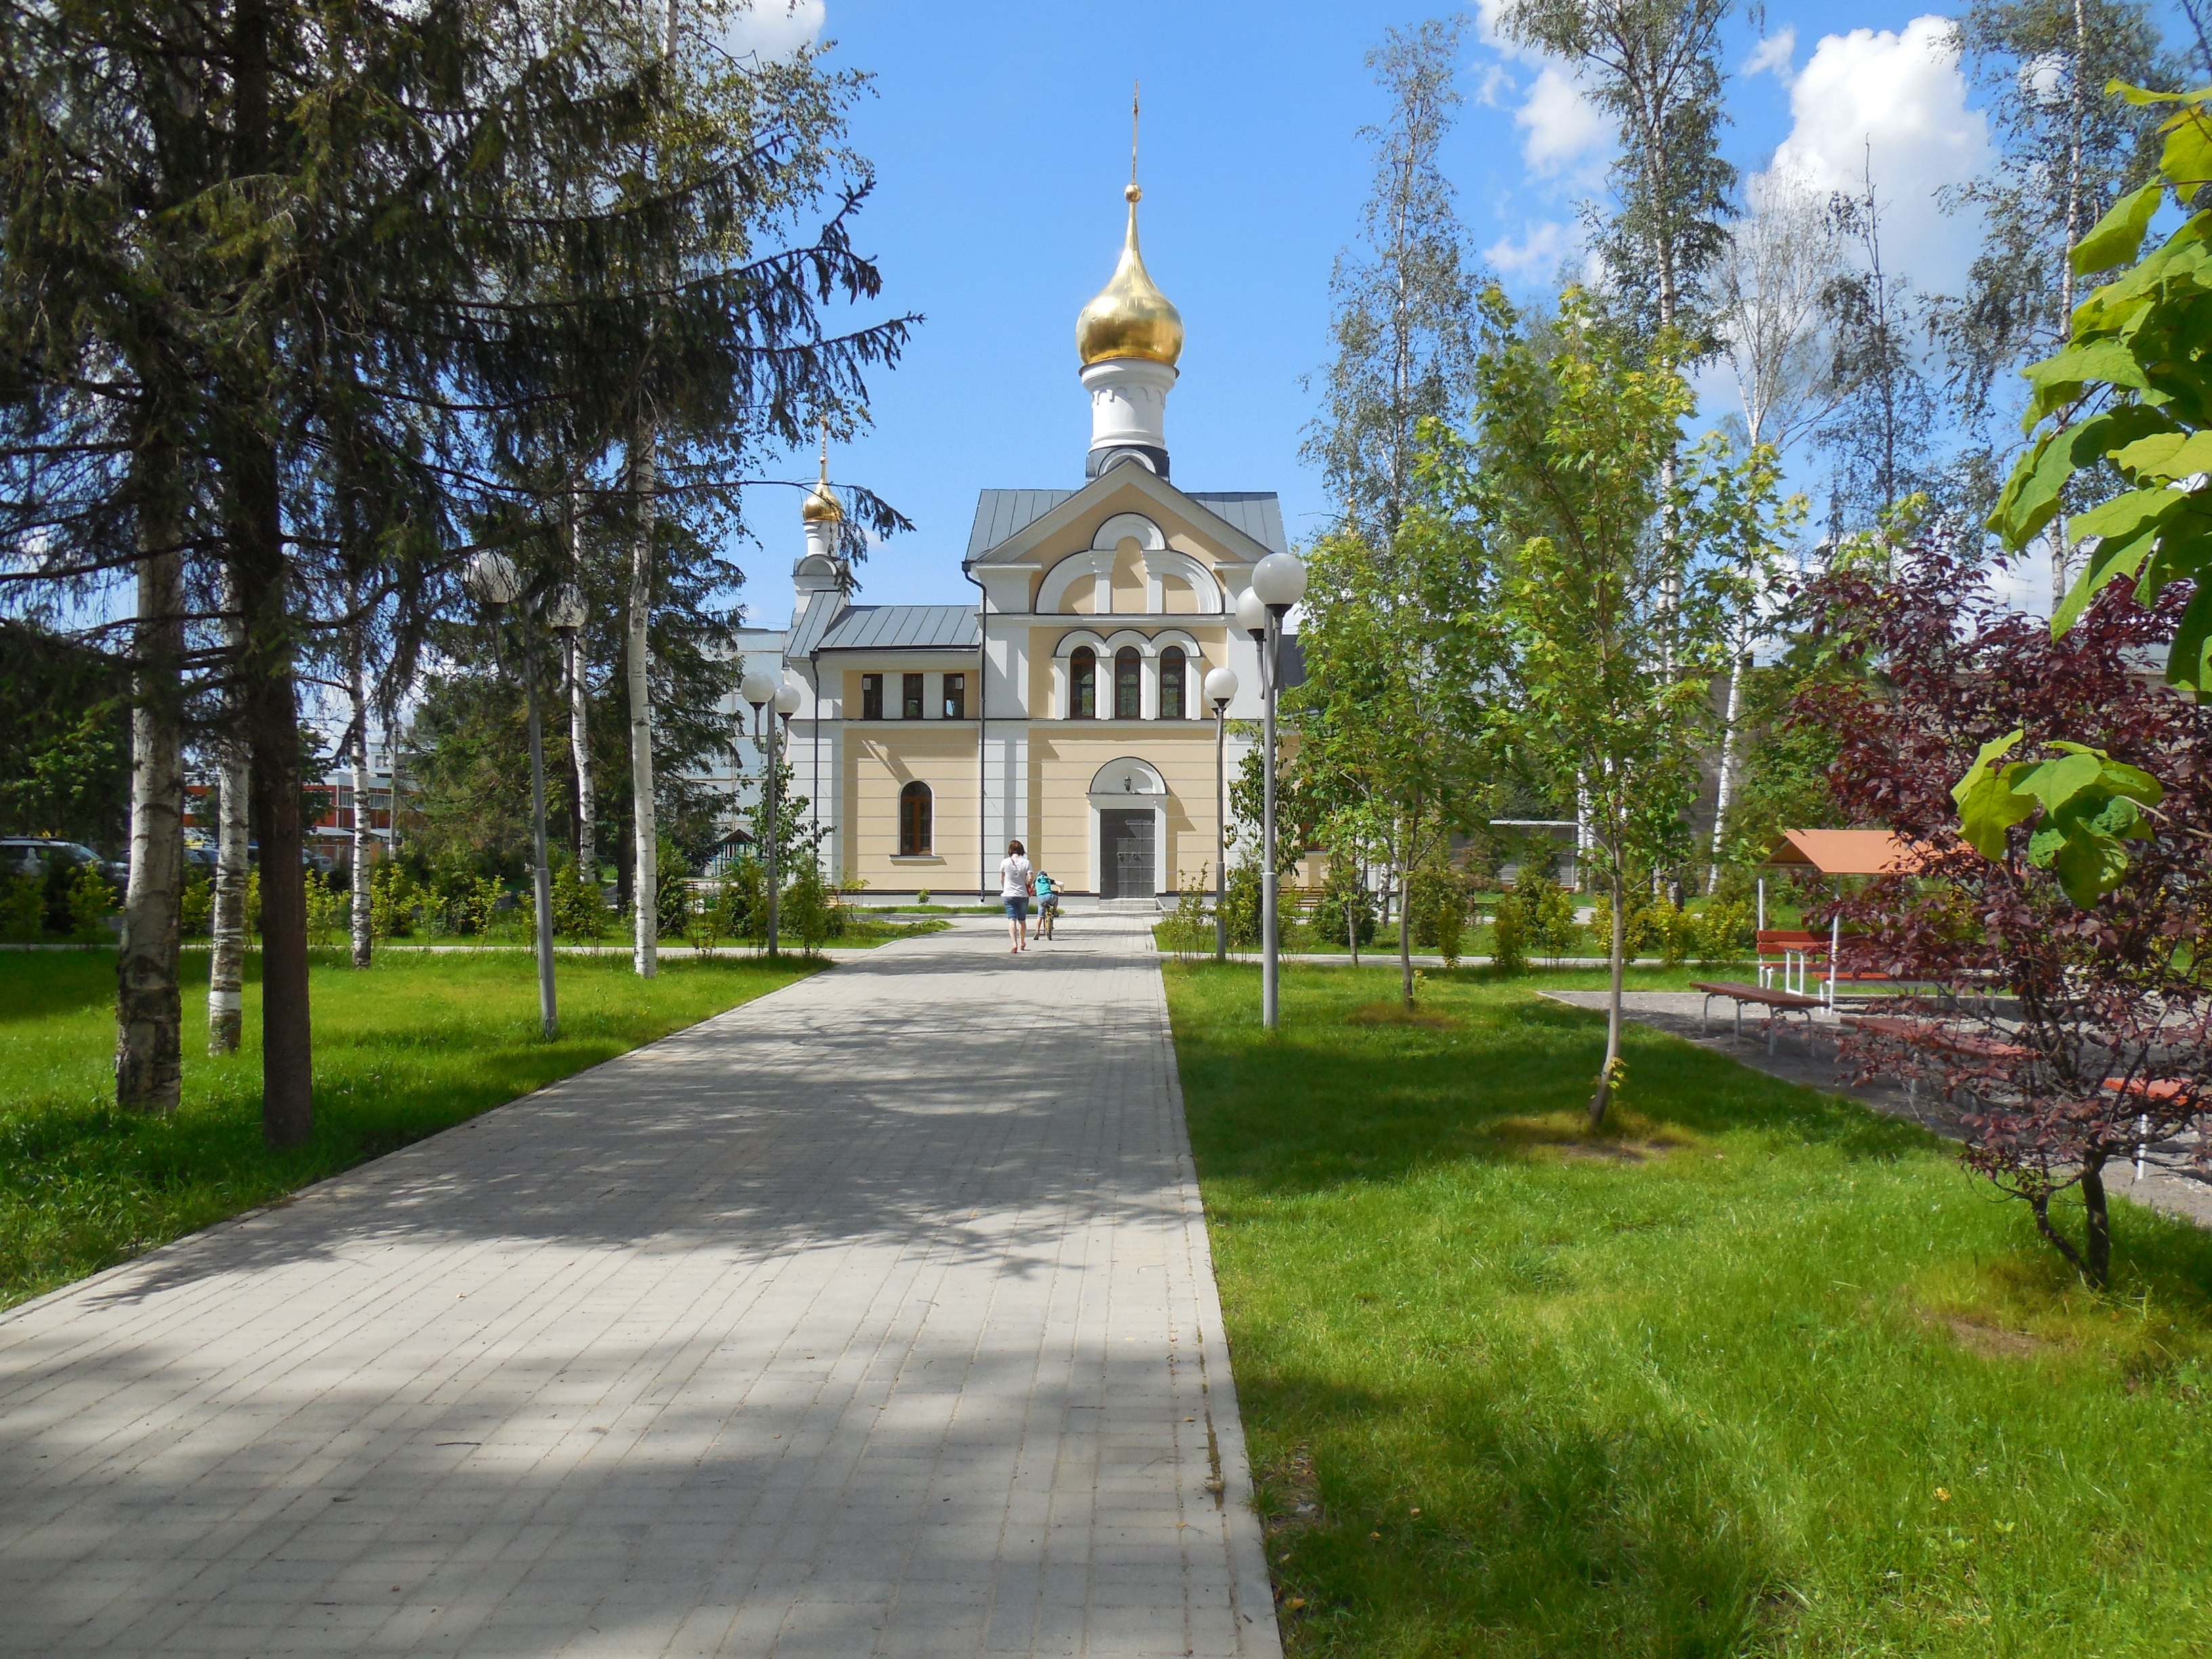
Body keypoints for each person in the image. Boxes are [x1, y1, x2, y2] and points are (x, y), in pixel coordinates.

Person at [998, 838, 1034, 953]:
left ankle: (1014, 944)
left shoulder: (1005, 862)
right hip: (1023, 895)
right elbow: (1030, 879)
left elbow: (1002, 879)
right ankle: (1022, 942)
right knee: (1022, 920)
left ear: (1010, 850)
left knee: (1011, 919)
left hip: (1008, 894)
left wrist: (1005, 887)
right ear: (1021, 850)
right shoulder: (1026, 862)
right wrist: (1029, 885)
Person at [1033, 869, 1059, 940]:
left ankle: (1037, 931)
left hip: (1041, 898)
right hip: (1050, 896)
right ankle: (1054, 910)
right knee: (1056, 898)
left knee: (1040, 916)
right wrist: (1061, 890)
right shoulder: (1048, 880)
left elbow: (1031, 888)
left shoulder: (1036, 880)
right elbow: (1060, 884)